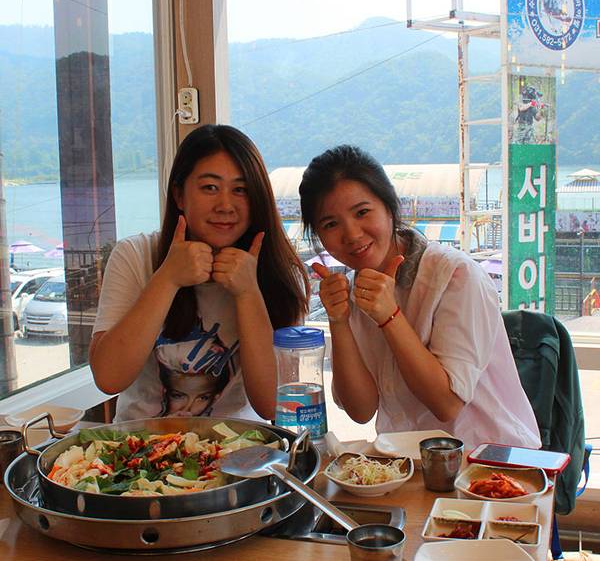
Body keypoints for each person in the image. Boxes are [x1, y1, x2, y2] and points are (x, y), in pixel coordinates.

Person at [299, 145, 540, 449]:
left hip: (487, 460)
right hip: (405, 462)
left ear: (389, 207)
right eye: (330, 224)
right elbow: (361, 411)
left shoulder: (455, 276)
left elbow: (446, 404)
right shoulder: (355, 290)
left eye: (362, 212)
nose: (352, 234)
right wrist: (339, 321)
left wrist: (389, 317)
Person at [90, 124, 309, 422]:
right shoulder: (136, 255)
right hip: (139, 446)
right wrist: (167, 278)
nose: (225, 205)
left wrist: (248, 293)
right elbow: (108, 378)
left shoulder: (280, 271)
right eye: (210, 187)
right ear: (179, 195)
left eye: (241, 190)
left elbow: (273, 405)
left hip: (242, 447)